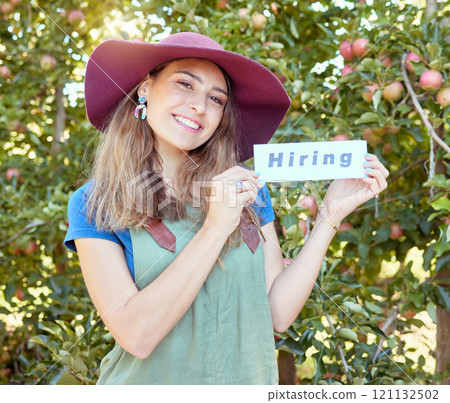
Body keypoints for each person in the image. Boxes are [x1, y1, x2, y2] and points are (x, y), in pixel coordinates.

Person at [64, 32, 389, 385]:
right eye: (185, 83)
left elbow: (277, 314)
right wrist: (215, 227)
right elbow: (137, 335)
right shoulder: (94, 201)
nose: (199, 106)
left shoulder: (248, 192)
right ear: (145, 88)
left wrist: (330, 215)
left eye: (216, 99)